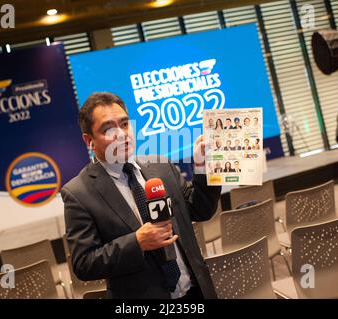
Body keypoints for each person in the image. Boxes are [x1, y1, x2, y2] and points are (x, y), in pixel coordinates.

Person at [62, 92, 221, 299]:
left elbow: (201, 209)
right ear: (89, 140)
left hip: (196, 290)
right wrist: (136, 242)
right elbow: (84, 263)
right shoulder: (78, 193)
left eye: (125, 124)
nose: (121, 134)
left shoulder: (160, 166)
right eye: (108, 128)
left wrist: (203, 168)